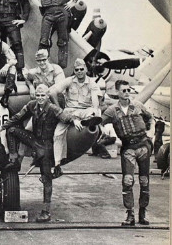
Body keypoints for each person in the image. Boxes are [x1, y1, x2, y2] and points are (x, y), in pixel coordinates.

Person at [1, 83, 80, 223]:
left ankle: (46, 211)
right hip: (34, 140)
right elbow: (18, 117)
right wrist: (3, 126)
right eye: (38, 95)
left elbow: (65, 116)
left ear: (48, 96)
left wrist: (75, 120)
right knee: (12, 131)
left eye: (43, 95)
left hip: (46, 146)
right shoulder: (32, 105)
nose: (40, 98)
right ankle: (13, 160)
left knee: (46, 179)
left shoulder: (53, 108)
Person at [101, 80, 153, 226]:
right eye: (123, 90)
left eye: (128, 90)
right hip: (128, 148)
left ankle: (142, 213)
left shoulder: (137, 106)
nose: (126, 93)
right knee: (127, 181)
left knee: (144, 181)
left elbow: (151, 118)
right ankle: (130, 215)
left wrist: (152, 131)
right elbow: (100, 122)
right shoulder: (112, 110)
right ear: (117, 92)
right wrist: (103, 131)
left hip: (143, 146)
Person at [20, 0, 82, 68]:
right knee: (44, 40)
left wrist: (73, 2)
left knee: (63, 40)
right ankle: (42, 65)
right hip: (47, 13)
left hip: (62, 12)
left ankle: (61, 68)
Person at [49, 58, 101, 178]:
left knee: (94, 111)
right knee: (57, 134)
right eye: (76, 70)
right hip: (70, 111)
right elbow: (52, 92)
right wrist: (59, 110)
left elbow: (95, 100)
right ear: (74, 70)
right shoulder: (69, 81)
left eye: (81, 69)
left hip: (85, 110)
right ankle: (57, 165)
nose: (79, 72)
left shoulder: (92, 83)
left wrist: (95, 111)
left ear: (86, 69)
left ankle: (88, 122)